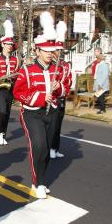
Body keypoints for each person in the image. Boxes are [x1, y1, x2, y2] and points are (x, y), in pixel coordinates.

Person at [13, 11, 61, 199]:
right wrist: (41, 97)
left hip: (51, 113)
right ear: (38, 51)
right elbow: (18, 93)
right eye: (46, 51)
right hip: (32, 114)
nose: (50, 54)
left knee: (47, 149)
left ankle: (41, 178)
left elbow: (63, 89)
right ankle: (37, 183)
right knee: (39, 146)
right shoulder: (27, 69)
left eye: (52, 51)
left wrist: (58, 87)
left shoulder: (57, 69)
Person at [0, 19, 20, 145]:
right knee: (2, 112)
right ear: (2, 45)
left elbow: (17, 77)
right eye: (7, 44)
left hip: (10, 89)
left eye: (11, 44)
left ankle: (3, 133)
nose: (9, 46)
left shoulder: (15, 60)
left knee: (8, 113)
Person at [50, 21, 72, 159]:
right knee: (52, 126)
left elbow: (68, 81)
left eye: (61, 50)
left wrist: (62, 88)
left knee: (58, 126)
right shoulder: (51, 65)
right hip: (51, 99)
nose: (60, 52)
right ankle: (50, 148)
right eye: (57, 50)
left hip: (61, 98)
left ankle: (55, 148)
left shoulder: (65, 66)